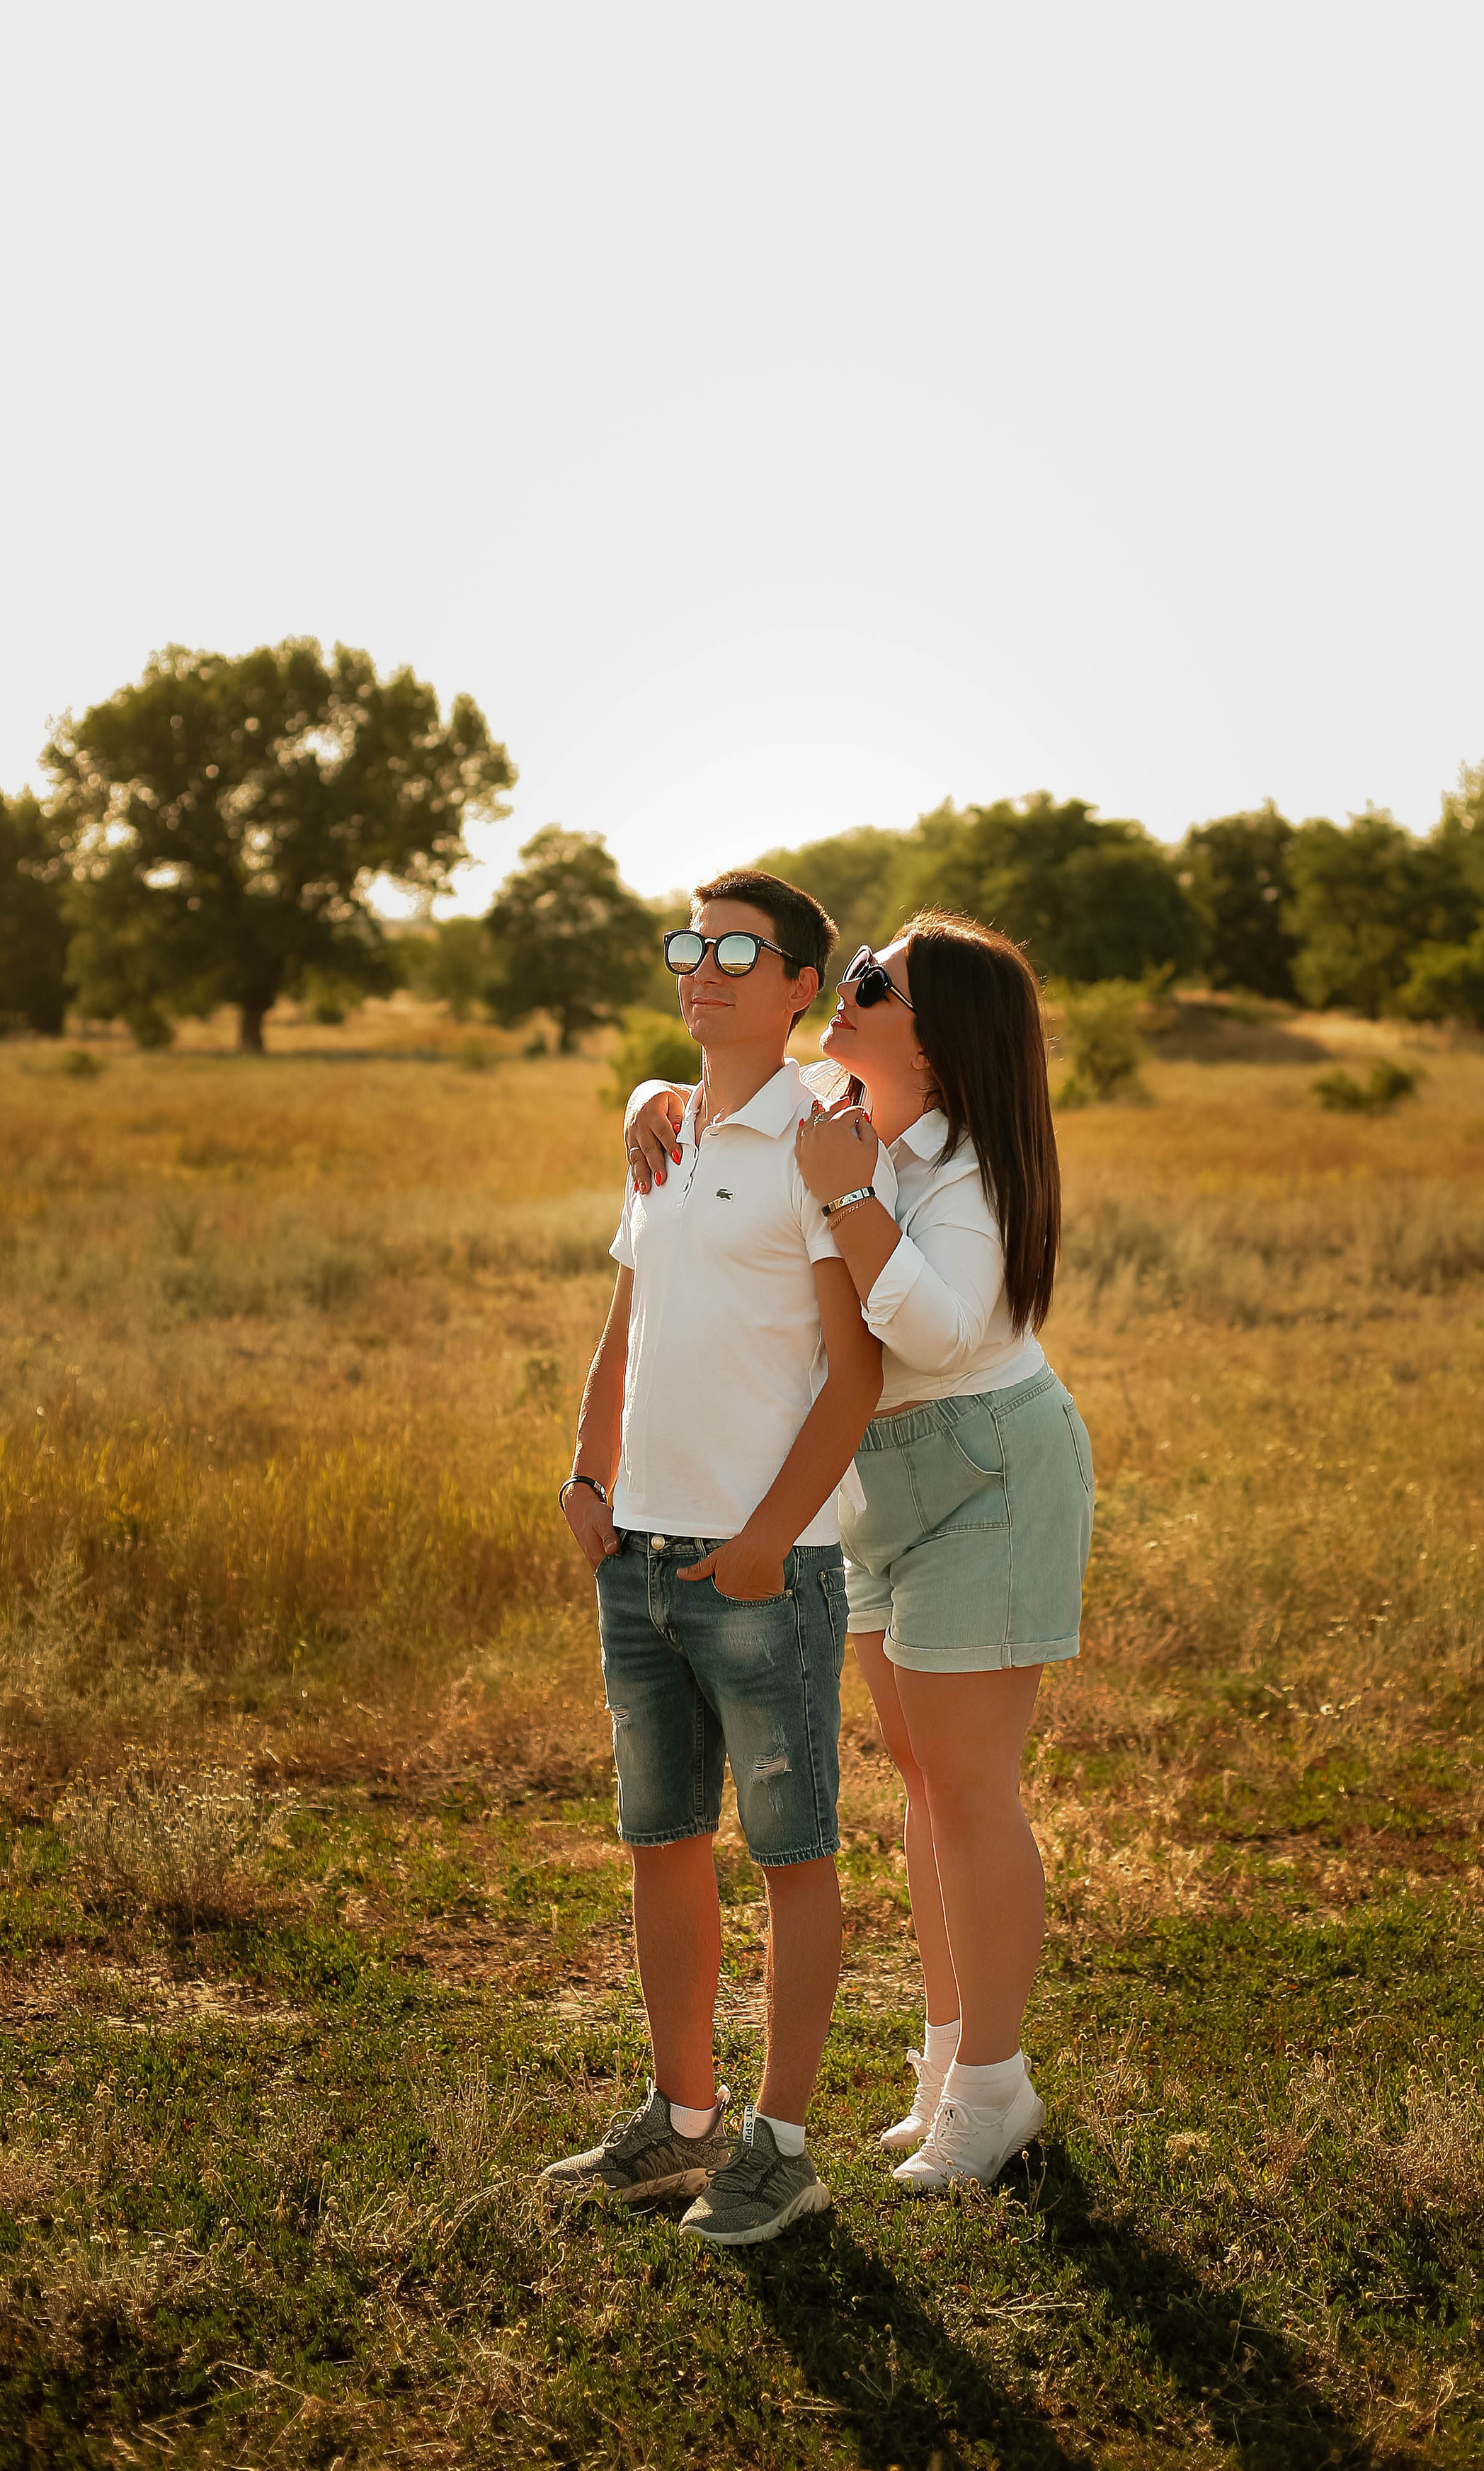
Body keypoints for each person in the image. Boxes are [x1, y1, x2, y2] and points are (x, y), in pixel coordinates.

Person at [625, 911, 1092, 2193]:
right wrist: (656, 1094)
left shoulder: (962, 1169)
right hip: (880, 1481)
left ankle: (994, 2093)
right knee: (927, 1786)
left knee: (973, 1784)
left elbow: (939, 1336)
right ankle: (950, 2065)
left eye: (875, 981)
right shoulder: (842, 1107)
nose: (848, 989)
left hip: (990, 1465)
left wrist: (844, 1194)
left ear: (937, 1040)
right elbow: (724, 1088)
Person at [540, 870, 889, 2247]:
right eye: (691, 943)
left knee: (792, 1857)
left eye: (741, 948)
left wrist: (760, 1543)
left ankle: (781, 2147)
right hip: (635, 1553)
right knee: (660, 1843)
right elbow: (625, 1320)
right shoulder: (665, 1132)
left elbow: (854, 1373)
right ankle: (676, 2119)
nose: (707, 965)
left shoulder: (822, 1140)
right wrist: (587, 1471)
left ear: (802, 984)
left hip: (767, 1569)